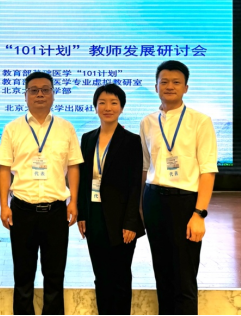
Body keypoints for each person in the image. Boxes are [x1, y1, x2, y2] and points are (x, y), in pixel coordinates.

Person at [0, 72, 84, 316]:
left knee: (54, 275)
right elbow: (4, 168)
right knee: (23, 275)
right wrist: (4, 205)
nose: (40, 95)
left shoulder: (66, 128)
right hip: (22, 210)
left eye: (45, 90)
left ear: (53, 94)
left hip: (55, 211)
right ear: (25, 95)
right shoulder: (13, 128)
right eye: (34, 90)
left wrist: (73, 202)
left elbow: (73, 166)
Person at [140, 61, 218, 316]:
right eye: (164, 82)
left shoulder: (200, 121)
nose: (169, 86)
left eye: (176, 82)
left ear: (186, 87)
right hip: (153, 200)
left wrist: (199, 214)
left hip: (185, 203)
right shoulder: (147, 122)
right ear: (156, 87)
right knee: (162, 274)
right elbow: (145, 167)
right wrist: (141, 206)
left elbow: (207, 170)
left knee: (184, 277)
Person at [77, 84, 145, 315]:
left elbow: (135, 184)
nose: (108, 107)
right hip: (94, 215)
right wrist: (82, 215)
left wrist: (131, 222)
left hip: (121, 219)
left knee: (120, 276)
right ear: (95, 107)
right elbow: (83, 180)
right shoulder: (87, 139)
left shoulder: (131, 141)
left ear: (122, 108)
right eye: (102, 103)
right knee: (101, 275)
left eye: (114, 103)